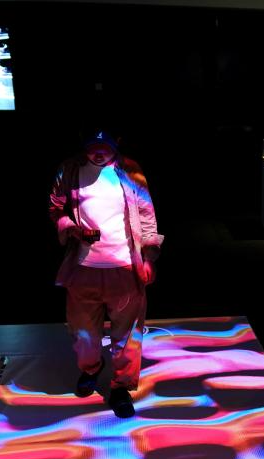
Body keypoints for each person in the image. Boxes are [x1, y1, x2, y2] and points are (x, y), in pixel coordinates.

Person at [48, 130, 164, 417]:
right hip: (83, 269)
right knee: (84, 335)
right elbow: (56, 208)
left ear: (116, 145)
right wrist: (70, 227)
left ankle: (121, 387)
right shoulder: (70, 169)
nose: (98, 153)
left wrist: (149, 256)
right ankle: (91, 368)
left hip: (124, 268)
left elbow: (147, 215)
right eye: (93, 147)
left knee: (127, 336)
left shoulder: (131, 170)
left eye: (105, 147)